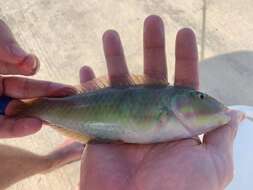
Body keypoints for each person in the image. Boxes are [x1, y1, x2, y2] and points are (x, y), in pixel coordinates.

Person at [0, 15, 244, 190]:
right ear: (181, 100)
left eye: (202, 96)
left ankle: (52, 158)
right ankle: (53, 156)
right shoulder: (169, 105)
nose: (204, 99)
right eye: (200, 96)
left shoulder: (176, 114)